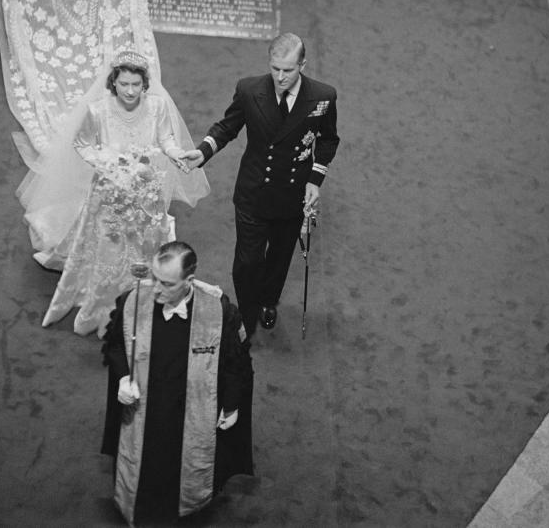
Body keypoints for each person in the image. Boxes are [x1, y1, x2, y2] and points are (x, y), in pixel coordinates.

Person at [28, 52, 209, 335]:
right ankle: (103, 300)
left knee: (144, 247)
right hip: (110, 191)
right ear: (114, 82)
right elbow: (82, 143)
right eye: (124, 83)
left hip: (146, 192)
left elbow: (166, 139)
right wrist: (109, 165)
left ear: (144, 83)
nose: (130, 91)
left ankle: (143, 293)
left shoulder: (158, 107)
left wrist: (176, 155)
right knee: (109, 248)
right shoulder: (97, 111)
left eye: (136, 84)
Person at [182, 33, 340, 334]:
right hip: (254, 191)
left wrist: (315, 180)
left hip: (293, 195)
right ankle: (247, 309)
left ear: (302, 65)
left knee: (279, 258)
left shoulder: (323, 97)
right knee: (246, 261)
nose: (280, 77)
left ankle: (268, 300)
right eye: (275, 68)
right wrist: (202, 151)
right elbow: (227, 127)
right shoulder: (249, 89)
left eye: (288, 70)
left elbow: (329, 139)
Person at [100, 241, 253, 525]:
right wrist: (122, 377)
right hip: (145, 411)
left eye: (166, 283)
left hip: (191, 415)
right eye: (154, 277)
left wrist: (231, 406)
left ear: (189, 281)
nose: (156, 288)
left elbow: (236, 363)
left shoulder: (218, 311)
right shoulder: (133, 301)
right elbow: (115, 345)